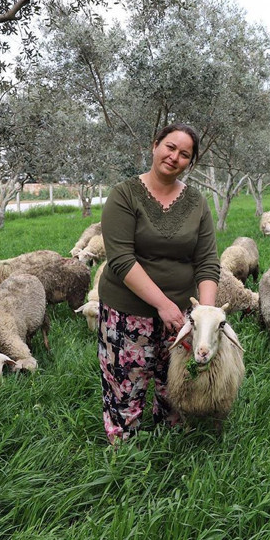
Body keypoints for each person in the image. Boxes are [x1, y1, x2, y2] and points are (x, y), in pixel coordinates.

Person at [96, 123, 220, 444]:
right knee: (126, 389)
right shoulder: (124, 195)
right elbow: (121, 259)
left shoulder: (197, 203)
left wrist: (205, 315)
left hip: (181, 317)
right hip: (127, 314)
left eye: (184, 154)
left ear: (189, 163)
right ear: (155, 146)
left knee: (176, 387)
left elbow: (206, 261)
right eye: (169, 147)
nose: (174, 157)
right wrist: (162, 305)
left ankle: (170, 448)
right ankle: (124, 455)